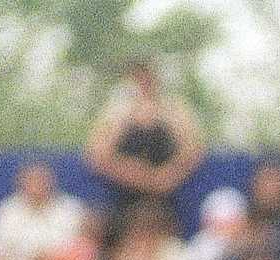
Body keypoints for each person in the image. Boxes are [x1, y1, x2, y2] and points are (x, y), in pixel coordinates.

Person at [83, 59, 206, 229]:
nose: (144, 83)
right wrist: (131, 175)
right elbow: (95, 157)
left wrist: (167, 176)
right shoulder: (115, 112)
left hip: (165, 198)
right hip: (123, 197)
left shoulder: (175, 110)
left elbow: (194, 151)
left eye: (148, 77)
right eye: (138, 78)